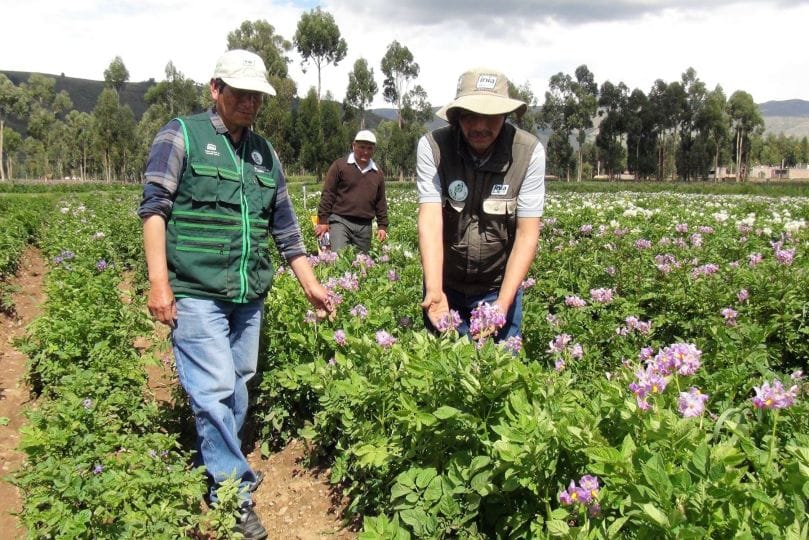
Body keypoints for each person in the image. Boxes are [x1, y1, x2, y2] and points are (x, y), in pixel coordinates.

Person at [138, 49, 332, 540]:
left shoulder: (265, 154)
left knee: (239, 381)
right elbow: (154, 208)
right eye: (240, 92)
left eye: (256, 95)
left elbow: (286, 229)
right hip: (196, 289)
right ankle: (232, 492)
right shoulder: (181, 134)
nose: (249, 102)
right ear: (215, 88)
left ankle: (222, 466)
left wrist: (310, 282)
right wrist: (158, 281)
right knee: (214, 388)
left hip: (248, 292)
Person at [417, 67, 546, 342]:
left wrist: (501, 305)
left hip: (497, 285)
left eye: (489, 116)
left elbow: (527, 233)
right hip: (446, 285)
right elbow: (430, 219)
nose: (479, 126)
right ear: (456, 117)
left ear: (505, 115)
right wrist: (435, 289)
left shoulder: (529, 152)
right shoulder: (434, 147)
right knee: (442, 374)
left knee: (500, 372)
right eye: (469, 116)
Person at [315, 129, 389, 252]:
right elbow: (328, 193)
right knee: (339, 257)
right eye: (362, 147)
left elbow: (380, 201)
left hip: (364, 225)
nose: (365, 151)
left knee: (361, 264)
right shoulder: (340, 166)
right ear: (354, 146)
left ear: (373, 150)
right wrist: (323, 221)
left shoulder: (377, 173)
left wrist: (382, 225)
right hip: (340, 221)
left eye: (369, 148)